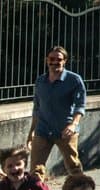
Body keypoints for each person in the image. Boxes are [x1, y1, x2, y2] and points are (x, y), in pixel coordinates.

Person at [27, 46, 87, 180]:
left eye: (59, 59)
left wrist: (73, 124)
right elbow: (37, 108)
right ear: (46, 60)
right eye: (51, 59)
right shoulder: (40, 81)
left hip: (65, 130)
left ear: (64, 61)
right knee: (35, 170)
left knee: (73, 166)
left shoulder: (74, 80)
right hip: (43, 130)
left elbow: (80, 105)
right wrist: (31, 131)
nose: (55, 62)